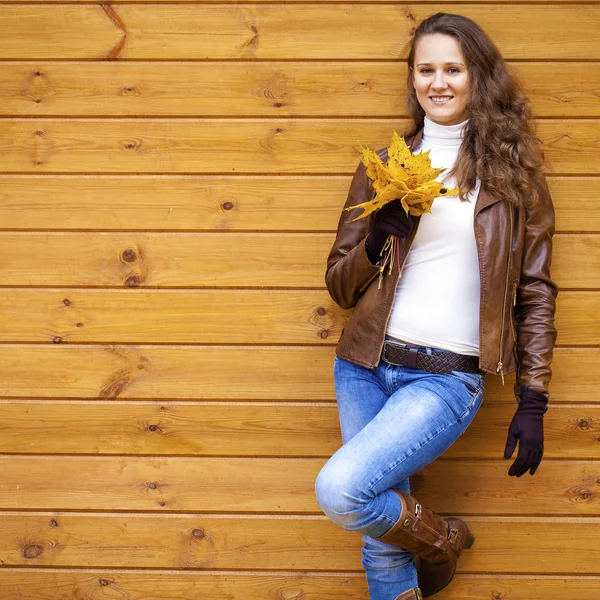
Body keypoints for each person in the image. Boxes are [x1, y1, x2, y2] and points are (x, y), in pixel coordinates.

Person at [315, 12, 558, 600]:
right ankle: (438, 538)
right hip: (364, 366)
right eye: (427, 69)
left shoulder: (514, 181)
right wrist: (376, 241)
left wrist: (534, 397)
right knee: (380, 535)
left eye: (454, 68)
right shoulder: (384, 169)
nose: (439, 82)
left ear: (479, 78)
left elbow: (535, 290)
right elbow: (340, 286)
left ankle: (443, 538)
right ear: (413, 79)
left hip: (446, 379)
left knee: (342, 490)